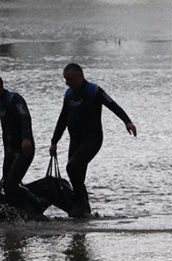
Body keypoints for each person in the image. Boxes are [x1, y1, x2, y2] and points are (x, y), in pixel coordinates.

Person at [49, 63, 137, 218]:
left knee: (72, 167)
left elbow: (112, 105)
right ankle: (84, 212)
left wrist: (127, 121)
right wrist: (54, 141)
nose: (66, 83)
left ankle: (80, 204)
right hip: (75, 140)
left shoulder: (93, 91)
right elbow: (63, 118)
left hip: (92, 139)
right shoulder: (69, 94)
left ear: (79, 77)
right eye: (65, 79)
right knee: (77, 175)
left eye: (68, 79)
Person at [0, 73, 47, 217]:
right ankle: (20, 213)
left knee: (11, 185)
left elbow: (25, 118)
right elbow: (5, 132)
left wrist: (26, 138)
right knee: (7, 186)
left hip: (25, 149)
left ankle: (37, 203)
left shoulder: (14, 99)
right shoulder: (1, 107)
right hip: (11, 151)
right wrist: (6, 153)